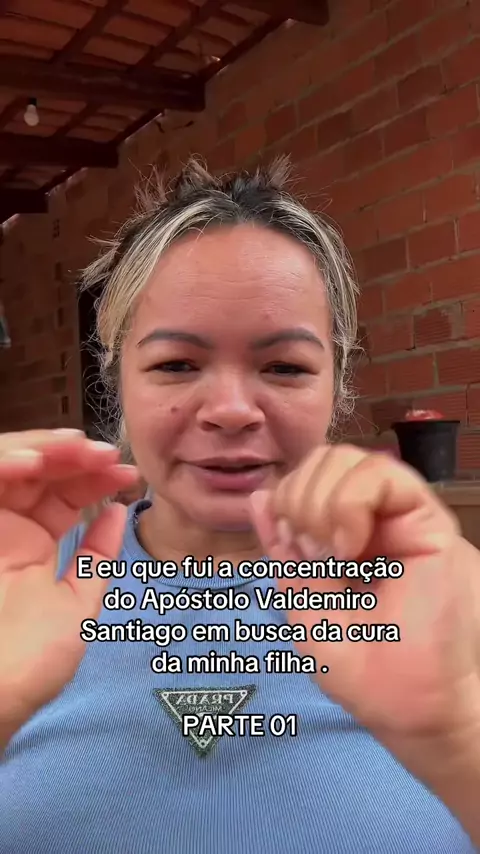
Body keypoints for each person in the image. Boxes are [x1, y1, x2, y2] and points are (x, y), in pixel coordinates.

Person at [0, 158, 479, 854]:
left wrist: (459, 732)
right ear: (117, 382)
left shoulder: (446, 600)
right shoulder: (20, 601)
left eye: (284, 366)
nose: (229, 409)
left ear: (337, 387)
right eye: (176, 364)